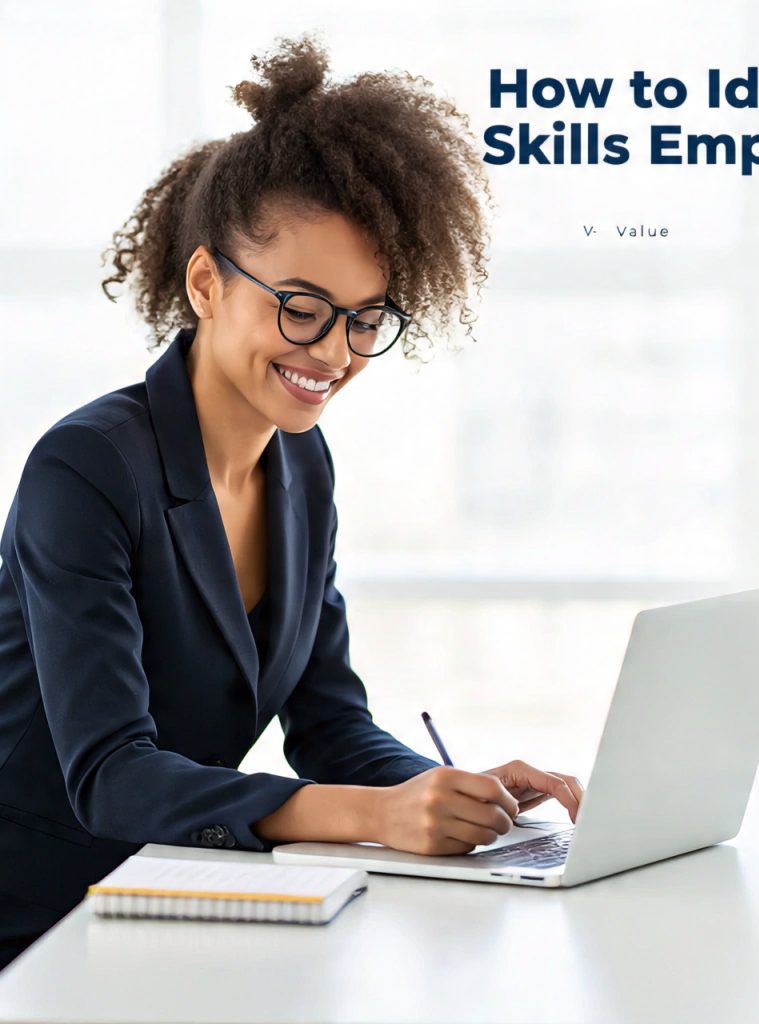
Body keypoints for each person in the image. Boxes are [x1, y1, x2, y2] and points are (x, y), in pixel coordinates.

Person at [0, 33, 583, 974]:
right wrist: (378, 816)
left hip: (179, 906)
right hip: (39, 930)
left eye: (364, 318)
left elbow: (328, 723)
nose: (335, 353)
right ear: (205, 284)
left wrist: (447, 793)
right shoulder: (86, 470)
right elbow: (109, 775)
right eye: (302, 306)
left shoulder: (303, 471)